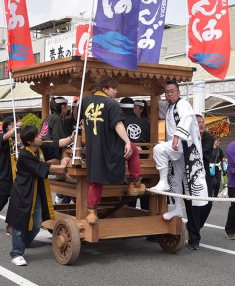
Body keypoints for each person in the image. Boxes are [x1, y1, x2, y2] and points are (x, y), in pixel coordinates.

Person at [149, 80, 210, 250]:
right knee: (176, 179)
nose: (169, 95)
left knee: (159, 149)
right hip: (178, 149)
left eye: (171, 91)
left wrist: (177, 136)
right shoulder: (168, 107)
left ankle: (163, 182)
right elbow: (154, 105)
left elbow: (186, 119)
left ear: (179, 91)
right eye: (166, 92)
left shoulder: (183, 104)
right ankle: (177, 208)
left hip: (185, 145)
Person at [80, 76, 145, 225]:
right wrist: (127, 141)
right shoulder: (111, 103)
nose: (116, 91)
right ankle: (134, 183)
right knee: (133, 151)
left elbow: (80, 120)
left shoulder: (86, 101)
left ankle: (91, 212)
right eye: (114, 88)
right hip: (110, 146)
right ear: (105, 89)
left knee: (95, 179)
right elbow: (118, 125)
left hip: (93, 147)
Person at [6, 125, 70, 266]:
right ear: (29, 141)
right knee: (19, 224)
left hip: (37, 192)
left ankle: (25, 242)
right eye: (37, 136)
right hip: (23, 193)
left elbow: (57, 143)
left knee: (36, 224)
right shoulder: (24, 155)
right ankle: (16, 253)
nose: (40, 137)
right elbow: (40, 167)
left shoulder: (40, 149)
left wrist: (72, 137)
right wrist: (61, 166)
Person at [0, 117, 19, 233]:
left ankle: (10, 224)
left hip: (16, 173)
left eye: (15, 124)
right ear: (6, 127)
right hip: (4, 172)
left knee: (15, 199)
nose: (14, 126)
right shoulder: (1, 136)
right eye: (11, 124)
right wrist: (16, 128)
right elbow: (6, 137)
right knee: (2, 199)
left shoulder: (18, 138)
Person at [121, 96, 151, 211]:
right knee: (146, 199)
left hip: (124, 164)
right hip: (145, 163)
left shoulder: (119, 123)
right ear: (133, 108)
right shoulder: (145, 123)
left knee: (127, 200)